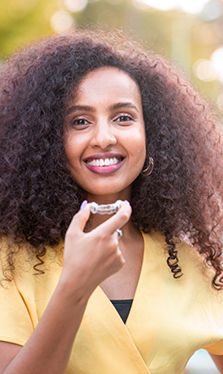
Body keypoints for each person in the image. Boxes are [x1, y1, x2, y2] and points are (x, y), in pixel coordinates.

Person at [0, 29, 223, 374]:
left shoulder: (193, 261)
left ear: (153, 135)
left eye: (123, 117)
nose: (104, 137)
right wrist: (75, 286)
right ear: (45, 140)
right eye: (79, 121)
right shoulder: (9, 259)